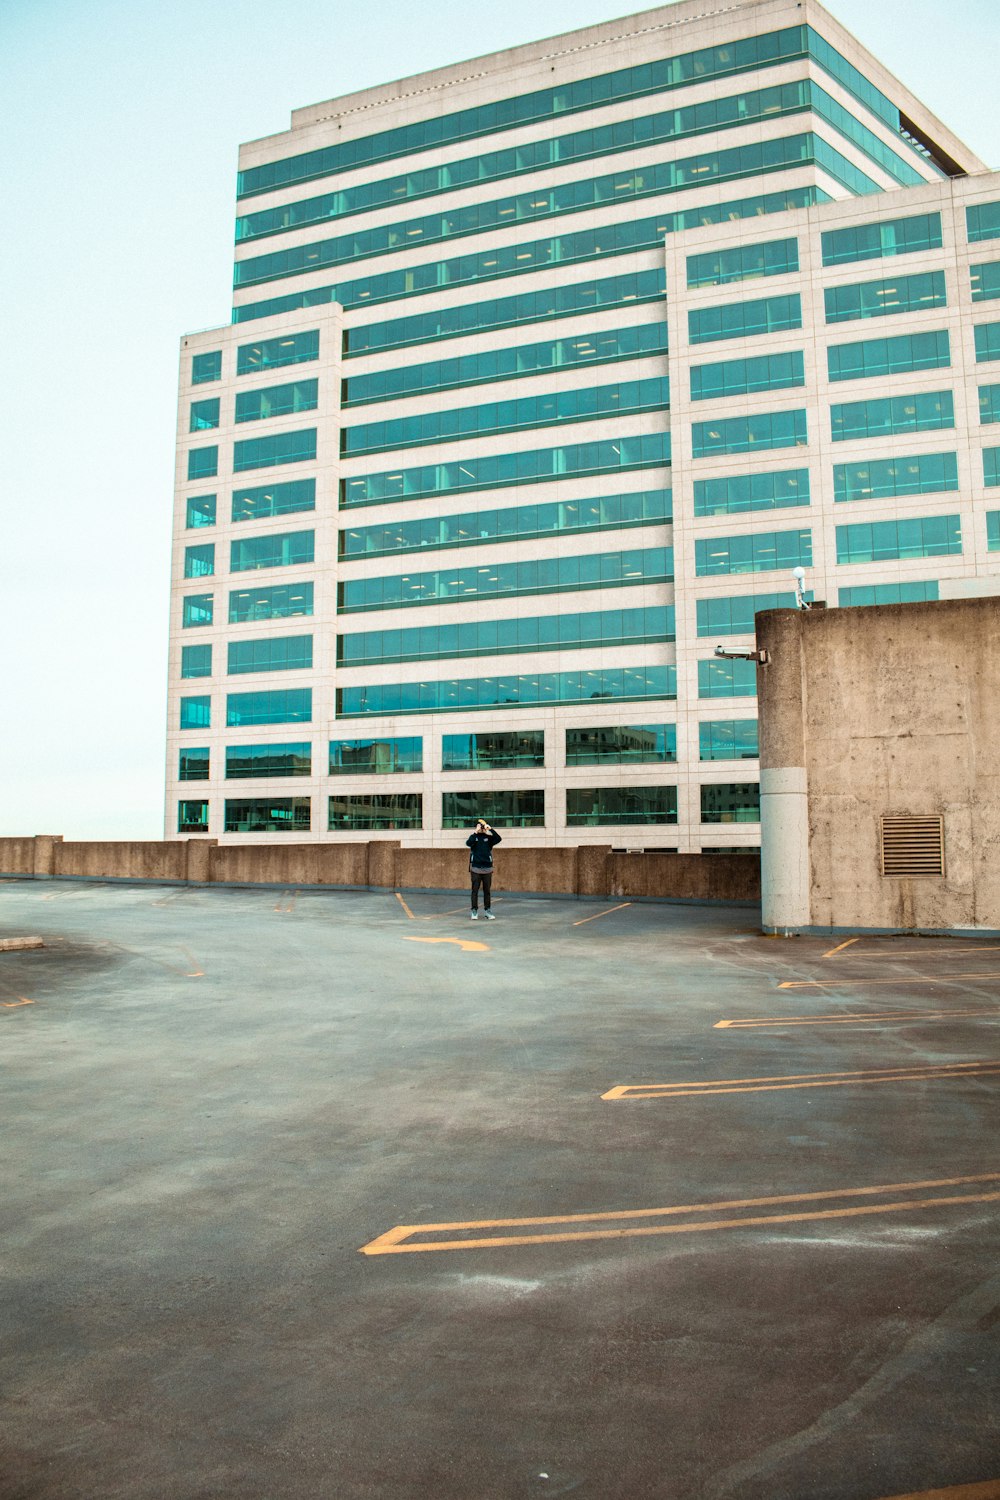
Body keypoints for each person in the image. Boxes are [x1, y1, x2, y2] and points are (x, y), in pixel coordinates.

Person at [466, 818, 501, 920]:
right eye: (479, 826)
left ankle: (487, 911)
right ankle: (474, 911)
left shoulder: (489, 839)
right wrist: (475, 832)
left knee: (487, 891)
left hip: (487, 869)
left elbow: (498, 839)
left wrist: (491, 829)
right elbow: (468, 843)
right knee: (474, 891)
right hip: (476, 869)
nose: (481, 828)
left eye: (482, 826)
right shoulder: (474, 838)